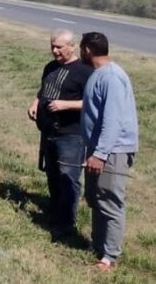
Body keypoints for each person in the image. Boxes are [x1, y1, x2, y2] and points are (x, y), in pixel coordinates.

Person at [79, 31, 139, 272]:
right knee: (95, 198)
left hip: (112, 150)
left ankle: (110, 256)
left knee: (110, 201)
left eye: (80, 48)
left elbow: (112, 121)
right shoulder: (99, 74)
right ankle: (98, 245)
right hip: (99, 148)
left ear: (87, 50)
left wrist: (100, 154)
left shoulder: (112, 77)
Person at [26, 29, 93, 237]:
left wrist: (66, 105)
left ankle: (67, 222)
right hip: (48, 130)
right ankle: (55, 212)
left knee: (68, 177)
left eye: (59, 47)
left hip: (71, 133)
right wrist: (36, 103)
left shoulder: (85, 71)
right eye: (52, 46)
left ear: (72, 46)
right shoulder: (50, 67)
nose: (55, 51)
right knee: (53, 174)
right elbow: (44, 90)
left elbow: (92, 103)